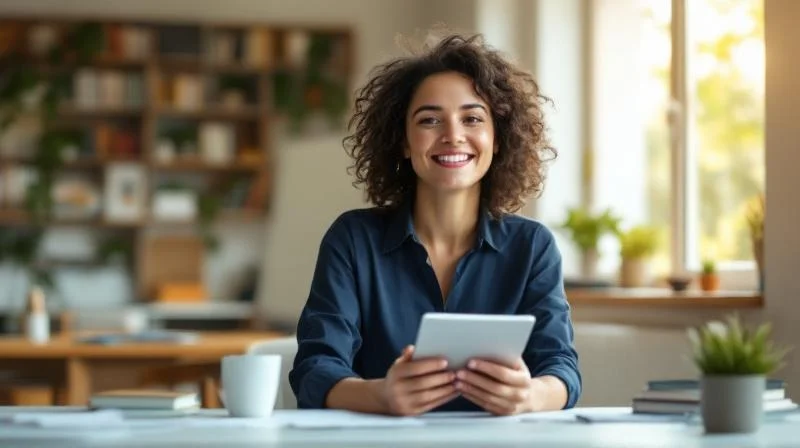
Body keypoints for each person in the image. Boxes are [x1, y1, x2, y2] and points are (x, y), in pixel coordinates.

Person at [289, 32, 581, 416]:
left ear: (497, 139)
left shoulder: (533, 246)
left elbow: (561, 369)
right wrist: (380, 396)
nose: (453, 136)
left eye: (472, 118)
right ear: (404, 142)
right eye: (429, 120)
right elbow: (314, 368)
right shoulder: (353, 240)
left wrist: (531, 396)